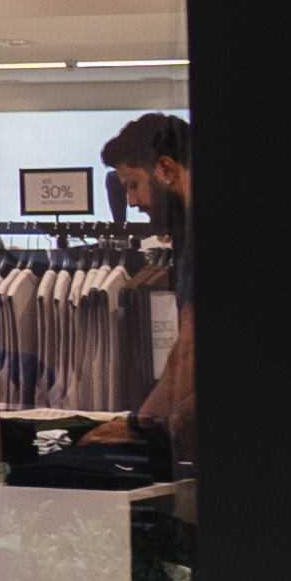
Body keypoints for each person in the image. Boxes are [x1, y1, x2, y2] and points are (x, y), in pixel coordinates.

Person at [102, 113, 193, 456]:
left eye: (133, 185)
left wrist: (139, 427)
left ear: (166, 169)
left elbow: (191, 349)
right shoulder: (185, 231)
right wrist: (143, 422)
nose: (132, 202)